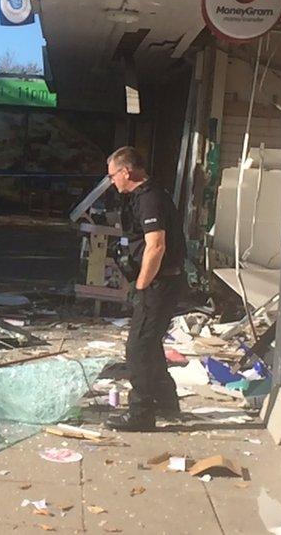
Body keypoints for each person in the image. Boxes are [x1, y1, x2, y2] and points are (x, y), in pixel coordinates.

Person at [102, 146, 188, 432]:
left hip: (158, 283)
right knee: (150, 343)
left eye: (113, 175)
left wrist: (141, 286)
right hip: (162, 281)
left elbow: (156, 246)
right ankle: (166, 401)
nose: (112, 181)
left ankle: (141, 412)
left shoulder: (149, 199)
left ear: (126, 171)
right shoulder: (145, 196)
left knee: (138, 346)